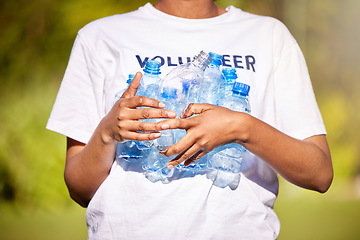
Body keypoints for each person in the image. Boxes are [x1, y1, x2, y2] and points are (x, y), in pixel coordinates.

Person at [46, 0, 333, 239]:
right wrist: (107, 133)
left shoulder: (269, 35)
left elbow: (319, 173)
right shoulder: (98, 37)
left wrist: (241, 127)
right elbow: (80, 188)